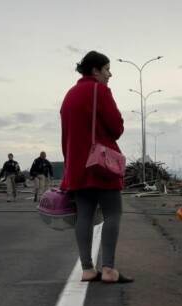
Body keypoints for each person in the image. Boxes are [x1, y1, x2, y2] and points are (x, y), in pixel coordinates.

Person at [60, 51, 132, 284]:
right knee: (113, 213)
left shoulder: (69, 95)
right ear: (95, 71)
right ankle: (109, 269)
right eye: (107, 69)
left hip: (78, 166)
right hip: (102, 165)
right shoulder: (99, 90)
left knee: (84, 216)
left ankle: (88, 269)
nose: (110, 74)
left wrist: (70, 168)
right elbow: (116, 127)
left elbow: (66, 137)